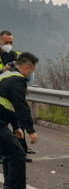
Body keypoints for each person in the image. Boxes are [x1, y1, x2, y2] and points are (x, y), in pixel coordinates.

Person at [0, 52, 38, 189]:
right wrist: (31, 130)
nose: (31, 74)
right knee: (17, 152)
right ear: (26, 68)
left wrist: (16, 127)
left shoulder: (7, 76)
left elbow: (8, 106)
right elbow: (21, 106)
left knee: (10, 151)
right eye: (32, 71)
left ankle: (9, 187)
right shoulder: (17, 80)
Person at [0, 31, 34, 162]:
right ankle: (3, 153)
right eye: (6, 42)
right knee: (2, 127)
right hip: (1, 94)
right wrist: (2, 71)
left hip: (13, 93)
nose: (9, 45)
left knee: (17, 123)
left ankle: (21, 151)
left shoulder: (16, 55)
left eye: (10, 42)